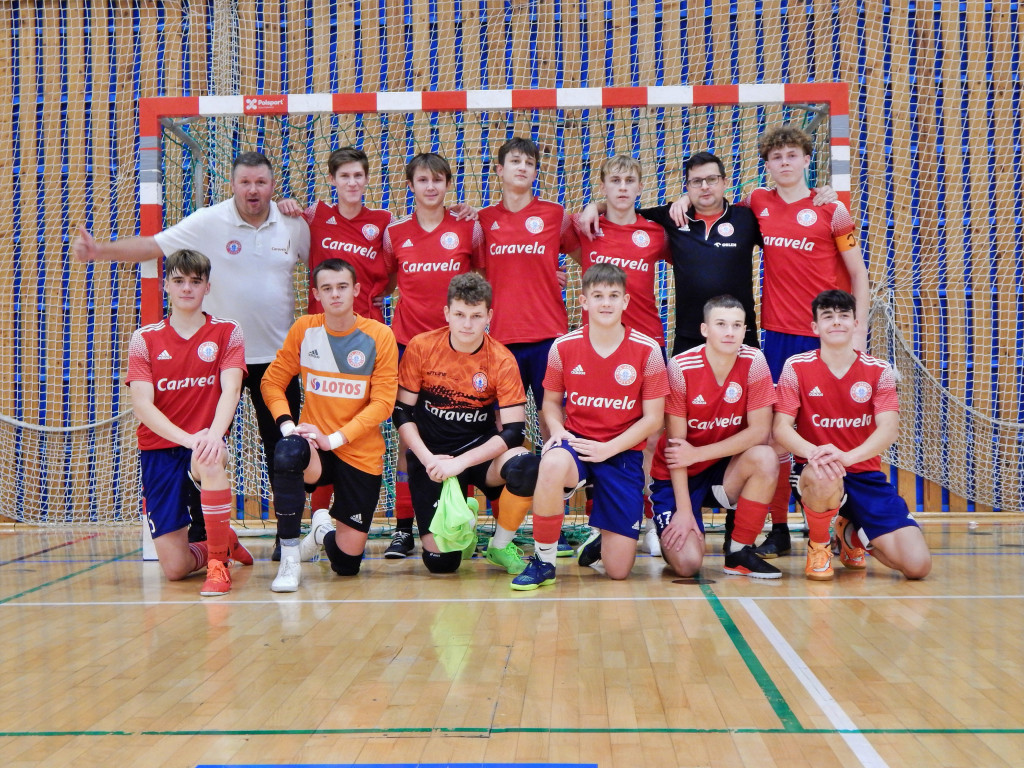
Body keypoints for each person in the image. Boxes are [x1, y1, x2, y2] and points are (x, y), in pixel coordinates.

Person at [75, 152, 310, 543]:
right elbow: (153, 246)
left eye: (261, 183)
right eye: (245, 182)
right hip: (217, 360)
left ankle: (289, 542)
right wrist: (101, 251)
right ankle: (206, 538)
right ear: (232, 185)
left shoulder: (293, 224)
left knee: (284, 452)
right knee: (204, 449)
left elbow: (327, 264)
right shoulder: (208, 221)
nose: (253, 190)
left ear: (273, 185)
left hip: (278, 361)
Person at [511, 263, 669, 590]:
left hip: (621, 452)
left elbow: (654, 418)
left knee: (619, 571)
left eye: (613, 296)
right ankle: (544, 562)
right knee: (551, 462)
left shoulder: (648, 349)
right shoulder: (563, 347)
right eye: (597, 296)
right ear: (583, 302)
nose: (606, 303)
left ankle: (600, 541)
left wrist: (609, 448)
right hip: (578, 445)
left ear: (626, 301)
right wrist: (557, 431)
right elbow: (550, 403)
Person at [772, 289, 931, 581]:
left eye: (844, 316)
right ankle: (819, 546)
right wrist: (815, 454)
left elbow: (889, 429)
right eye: (827, 316)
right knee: (826, 474)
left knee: (917, 566)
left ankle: (851, 536)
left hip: (865, 475)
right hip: (815, 470)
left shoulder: (879, 370)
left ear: (856, 323)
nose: (836, 322)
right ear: (815, 327)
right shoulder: (796, 367)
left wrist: (847, 457)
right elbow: (780, 427)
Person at [260, 258, 399, 592]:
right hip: (315, 450)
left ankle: (322, 532)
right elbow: (271, 382)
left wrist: (334, 438)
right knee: (288, 452)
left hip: (357, 451)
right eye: (327, 288)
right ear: (316, 294)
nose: (335, 295)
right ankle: (290, 560)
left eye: (342, 287)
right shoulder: (305, 329)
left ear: (356, 290)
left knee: (347, 565)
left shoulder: (379, 335)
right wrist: (287, 426)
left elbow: (383, 404)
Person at [125, 249, 253, 595]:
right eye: (179, 281)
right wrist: (189, 438)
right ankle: (222, 542)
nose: (186, 289)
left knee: (211, 458)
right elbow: (142, 406)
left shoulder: (227, 332)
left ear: (207, 287)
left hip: (206, 443)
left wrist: (212, 435)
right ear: (166, 285)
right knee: (176, 570)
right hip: (160, 450)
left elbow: (231, 389)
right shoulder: (144, 339)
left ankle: (217, 566)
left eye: (195, 282)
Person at [393, 273, 537, 575]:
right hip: (433, 458)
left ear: (489, 316)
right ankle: (465, 519)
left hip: (479, 455)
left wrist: (461, 463)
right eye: (459, 314)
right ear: (447, 313)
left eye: (476, 316)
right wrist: (428, 458)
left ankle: (498, 546)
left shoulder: (502, 358)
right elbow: (402, 413)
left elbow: (513, 432)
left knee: (527, 465)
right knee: (442, 565)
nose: (467, 324)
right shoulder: (421, 347)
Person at [477, 137, 580, 554]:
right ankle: (505, 530)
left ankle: (571, 523)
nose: (522, 167)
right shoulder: (481, 221)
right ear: (498, 170)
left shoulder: (556, 216)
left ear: (536, 172)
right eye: (514, 161)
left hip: (551, 339)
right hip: (499, 344)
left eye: (529, 163)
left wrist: (593, 209)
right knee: (506, 437)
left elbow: (589, 248)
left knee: (563, 431)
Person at [381, 153, 486, 559]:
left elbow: (483, 279)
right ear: (411, 185)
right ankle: (403, 529)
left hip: (460, 349)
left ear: (447, 184)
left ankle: (464, 523)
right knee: (408, 441)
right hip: (409, 347)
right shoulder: (395, 234)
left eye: (438, 180)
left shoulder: (467, 228)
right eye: (422, 180)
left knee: (465, 438)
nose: (430, 187)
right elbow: (388, 281)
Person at [649, 296, 781, 579]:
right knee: (687, 565)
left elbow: (760, 431)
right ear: (705, 329)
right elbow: (677, 449)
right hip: (676, 475)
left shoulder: (754, 361)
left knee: (766, 456)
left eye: (736, 325)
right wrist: (683, 511)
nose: (730, 332)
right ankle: (666, 524)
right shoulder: (681, 367)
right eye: (721, 324)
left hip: (720, 470)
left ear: (745, 330)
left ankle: (738, 552)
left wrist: (699, 454)